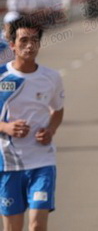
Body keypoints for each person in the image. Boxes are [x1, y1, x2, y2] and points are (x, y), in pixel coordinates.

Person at [0, 17, 65, 231]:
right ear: (12, 45)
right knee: (13, 227)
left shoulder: (51, 77)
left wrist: (51, 130)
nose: (29, 45)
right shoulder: (2, 76)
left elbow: (57, 110)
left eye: (35, 40)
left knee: (37, 225)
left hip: (42, 161)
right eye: (24, 40)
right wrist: (6, 127)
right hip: (9, 164)